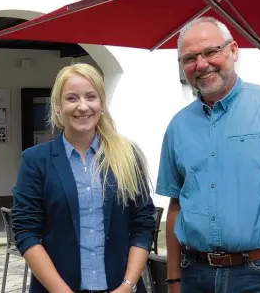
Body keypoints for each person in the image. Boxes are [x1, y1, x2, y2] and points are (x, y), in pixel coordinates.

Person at [156, 17, 260, 293]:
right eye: (189, 58)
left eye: (210, 52)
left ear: (233, 51)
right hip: (195, 274)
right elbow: (177, 204)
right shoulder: (178, 126)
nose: (201, 64)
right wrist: (173, 280)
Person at [11, 62, 157, 293]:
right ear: (57, 106)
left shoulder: (128, 156)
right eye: (72, 98)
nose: (83, 106)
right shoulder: (36, 160)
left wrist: (127, 286)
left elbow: (143, 225)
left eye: (91, 96)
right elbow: (26, 231)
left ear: (102, 103)